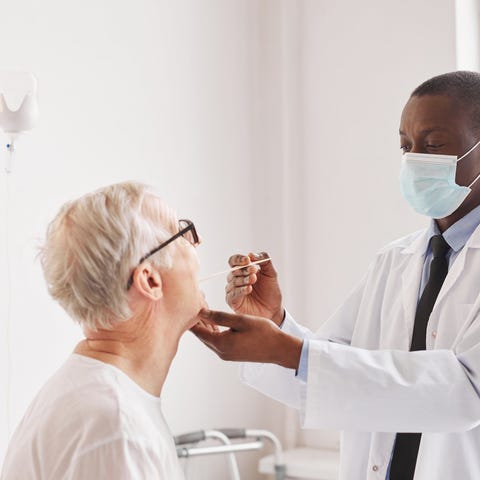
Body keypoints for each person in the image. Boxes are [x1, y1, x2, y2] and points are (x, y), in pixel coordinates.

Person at [192, 71, 480, 480]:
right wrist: (274, 324)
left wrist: (289, 351)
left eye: (432, 145)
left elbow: (464, 393)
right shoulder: (395, 260)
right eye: (405, 146)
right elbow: (331, 374)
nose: (414, 159)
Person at [1, 182, 206, 479]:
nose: (197, 245)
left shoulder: (94, 398)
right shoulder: (118, 429)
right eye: (183, 234)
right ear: (149, 281)